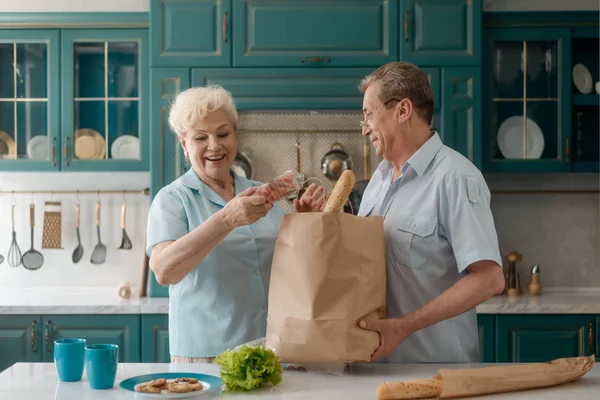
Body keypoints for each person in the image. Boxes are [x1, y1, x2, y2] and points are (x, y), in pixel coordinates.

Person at [146, 85, 324, 363]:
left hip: (271, 348)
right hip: (207, 354)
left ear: (235, 137)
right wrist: (226, 220)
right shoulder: (172, 199)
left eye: (222, 134)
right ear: (184, 144)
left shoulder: (258, 193)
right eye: (200, 137)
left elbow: (288, 266)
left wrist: (303, 221)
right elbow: (164, 271)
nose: (214, 146)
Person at [356, 62, 505, 363]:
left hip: (435, 372)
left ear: (403, 110)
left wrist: (405, 327)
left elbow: (489, 279)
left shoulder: (456, 178)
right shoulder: (377, 181)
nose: (364, 128)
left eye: (369, 114)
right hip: (370, 370)